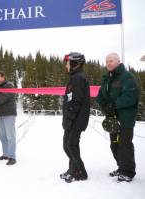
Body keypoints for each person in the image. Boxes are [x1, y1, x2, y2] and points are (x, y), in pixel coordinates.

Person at [97, 53, 139, 182]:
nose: (108, 63)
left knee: (124, 145)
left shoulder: (127, 77)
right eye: (107, 61)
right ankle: (121, 167)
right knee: (114, 145)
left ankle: (128, 172)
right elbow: (101, 95)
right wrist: (103, 104)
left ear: (118, 61)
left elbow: (131, 96)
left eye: (111, 60)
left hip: (125, 119)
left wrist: (114, 104)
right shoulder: (107, 78)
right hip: (112, 119)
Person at [60, 52, 90, 183]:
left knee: (70, 145)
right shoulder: (75, 77)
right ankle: (72, 169)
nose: (66, 65)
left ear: (74, 64)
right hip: (73, 119)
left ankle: (80, 172)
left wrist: (69, 119)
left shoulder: (78, 78)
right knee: (68, 145)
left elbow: (76, 101)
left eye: (68, 62)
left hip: (76, 120)